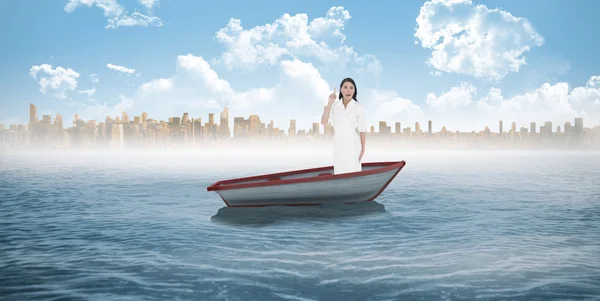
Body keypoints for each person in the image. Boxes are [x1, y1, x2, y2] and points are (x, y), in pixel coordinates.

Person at [321, 77, 367, 175]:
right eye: (345, 87)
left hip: (353, 143)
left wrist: (363, 148)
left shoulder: (358, 107)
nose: (348, 90)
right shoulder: (334, 106)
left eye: (351, 88)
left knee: (353, 171)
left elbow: (362, 129)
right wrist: (330, 102)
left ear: (354, 91)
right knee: (340, 170)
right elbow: (324, 122)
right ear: (341, 89)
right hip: (339, 143)